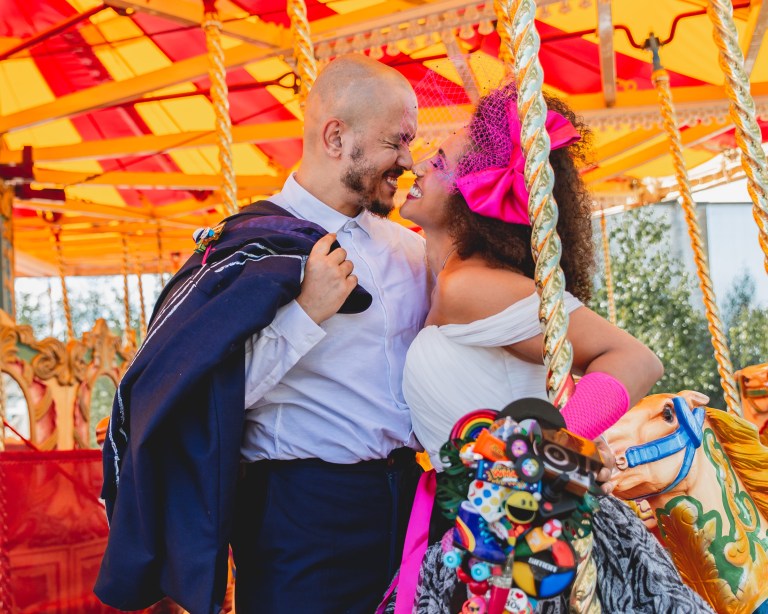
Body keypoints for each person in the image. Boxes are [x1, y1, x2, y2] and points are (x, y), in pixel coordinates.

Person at [95, 55, 430, 614]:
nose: (409, 161)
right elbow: (196, 393)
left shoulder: (412, 250)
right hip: (300, 515)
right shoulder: (249, 243)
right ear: (335, 136)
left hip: (409, 505)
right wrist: (303, 315)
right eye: (397, 142)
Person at [384, 83, 714, 613]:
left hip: (530, 532)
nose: (420, 165)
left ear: (478, 191)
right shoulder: (449, 278)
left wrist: (553, 451)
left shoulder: (469, 284)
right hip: (488, 520)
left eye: (441, 160)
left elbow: (636, 358)